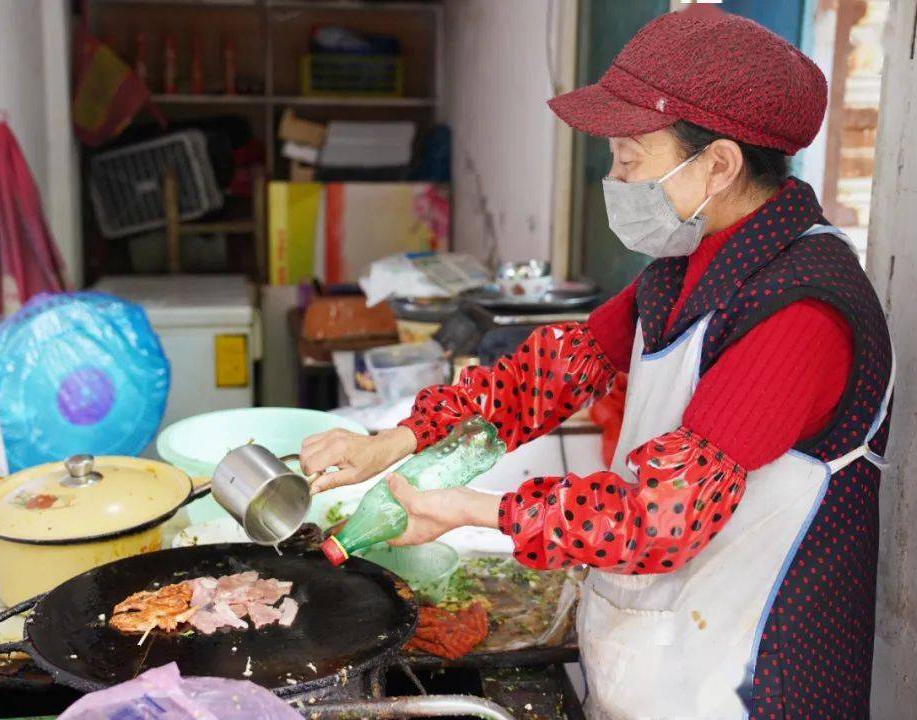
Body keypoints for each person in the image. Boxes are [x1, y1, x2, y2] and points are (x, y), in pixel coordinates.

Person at [300, 9, 894, 720]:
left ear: (720, 163)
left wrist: (466, 510)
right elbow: (548, 377)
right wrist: (394, 441)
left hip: (754, 684)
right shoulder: (685, 266)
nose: (614, 178)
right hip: (663, 661)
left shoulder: (803, 313)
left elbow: (659, 519)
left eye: (631, 157)